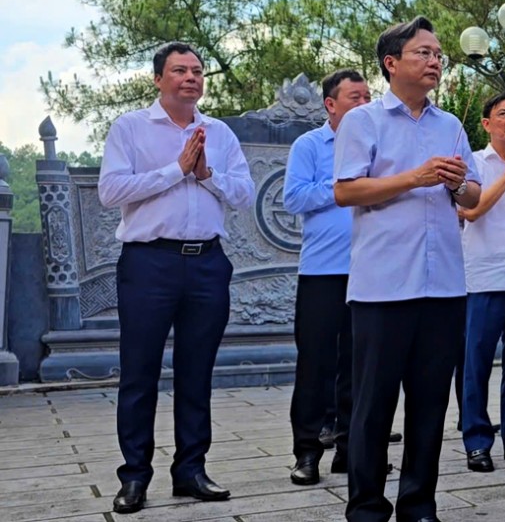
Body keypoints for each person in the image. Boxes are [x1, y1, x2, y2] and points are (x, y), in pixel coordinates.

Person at [333, 16, 481, 522]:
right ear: (391, 63)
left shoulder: (451, 126)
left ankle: (418, 505)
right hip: (383, 286)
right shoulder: (363, 121)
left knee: (430, 406)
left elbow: (474, 195)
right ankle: (367, 508)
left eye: (439, 54)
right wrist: (414, 177)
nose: (436, 61)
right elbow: (346, 190)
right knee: (373, 406)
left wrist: (458, 183)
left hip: (443, 287)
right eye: (423, 52)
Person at [100, 42, 254, 515]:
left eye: (198, 70)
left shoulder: (220, 132)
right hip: (150, 263)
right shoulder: (130, 128)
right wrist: (176, 170)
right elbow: (111, 190)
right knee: (140, 372)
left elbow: (245, 194)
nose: (191, 77)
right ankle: (134, 477)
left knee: (196, 372)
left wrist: (205, 175)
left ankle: (190, 469)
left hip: (207, 262)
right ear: (158, 79)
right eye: (180, 70)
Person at [284, 69, 372, 486]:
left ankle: (352, 452)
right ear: (330, 105)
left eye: (368, 96)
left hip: (371, 271)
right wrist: (342, 188)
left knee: (360, 368)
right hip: (322, 272)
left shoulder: (379, 143)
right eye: (355, 98)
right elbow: (294, 197)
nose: (364, 104)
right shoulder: (309, 145)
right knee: (315, 366)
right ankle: (306, 452)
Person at [458, 93, 505, 472]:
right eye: (503, 114)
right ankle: (476, 439)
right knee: (476, 365)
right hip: (484, 277)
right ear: (486, 123)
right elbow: (469, 211)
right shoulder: (474, 162)